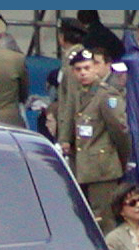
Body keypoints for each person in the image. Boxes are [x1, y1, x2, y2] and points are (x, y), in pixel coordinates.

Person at [64, 47, 129, 233]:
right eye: (78, 69)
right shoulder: (78, 93)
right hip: (83, 165)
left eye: (87, 68)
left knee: (104, 219)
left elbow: (120, 131)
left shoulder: (106, 95)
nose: (83, 73)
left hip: (102, 167)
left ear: (95, 68)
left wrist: (120, 159)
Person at [54, 16, 87, 168]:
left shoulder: (74, 62)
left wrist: (65, 137)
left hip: (74, 130)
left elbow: (71, 100)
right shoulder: (71, 58)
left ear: (62, 37)